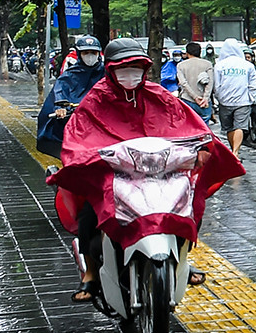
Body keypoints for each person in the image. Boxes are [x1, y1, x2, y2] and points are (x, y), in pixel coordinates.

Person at [49, 39, 243, 301]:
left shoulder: (158, 94)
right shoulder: (96, 98)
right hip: (114, 172)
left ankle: (182, 256)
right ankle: (91, 273)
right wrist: (86, 158)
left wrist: (204, 145)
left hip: (157, 169)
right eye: (123, 69)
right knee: (89, 213)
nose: (130, 76)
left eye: (136, 69)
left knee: (187, 199)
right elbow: (79, 136)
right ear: (111, 70)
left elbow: (189, 124)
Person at [35, 37, 105, 157]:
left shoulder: (107, 72)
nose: (90, 56)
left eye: (93, 53)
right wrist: (60, 107)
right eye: (86, 53)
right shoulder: (69, 75)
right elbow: (60, 91)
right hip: (77, 120)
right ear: (79, 54)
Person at [212, 39, 256, 155]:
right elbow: (253, 84)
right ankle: (235, 151)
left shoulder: (219, 65)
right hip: (243, 101)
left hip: (225, 101)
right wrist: (250, 98)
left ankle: (234, 151)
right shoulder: (248, 66)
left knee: (229, 128)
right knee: (240, 126)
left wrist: (219, 98)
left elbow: (216, 85)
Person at [177, 42, 215, 123]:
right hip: (204, 102)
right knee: (204, 127)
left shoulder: (181, 65)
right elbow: (210, 82)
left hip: (187, 100)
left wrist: (195, 97)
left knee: (188, 126)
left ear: (187, 53)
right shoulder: (207, 64)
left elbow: (183, 83)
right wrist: (205, 98)